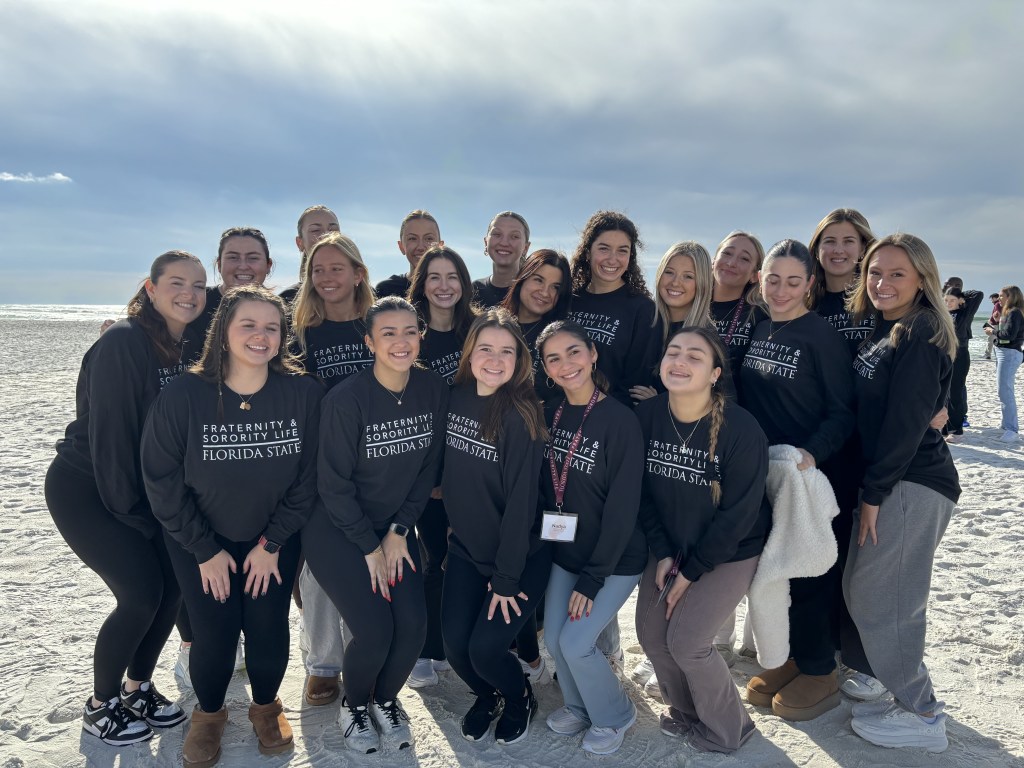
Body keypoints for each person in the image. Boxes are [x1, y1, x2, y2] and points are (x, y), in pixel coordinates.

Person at [142, 285, 323, 765]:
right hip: (200, 540)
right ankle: (209, 715)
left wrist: (273, 543)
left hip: (273, 537)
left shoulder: (303, 393)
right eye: (248, 325)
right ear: (223, 331)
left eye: (272, 327)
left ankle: (266, 707)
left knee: (267, 624)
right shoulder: (183, 394)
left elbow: (310, 478)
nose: (261, 336)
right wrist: (203, 549)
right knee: (214, 630)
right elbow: (161, 480)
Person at [45, 251, 206, 746]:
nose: (189, 293)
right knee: (140, 594)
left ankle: (137, 689)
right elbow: (110, 438)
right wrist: (132, 513)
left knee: (172, 590)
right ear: (151, 288)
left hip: (147, 491)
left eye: (198, 285)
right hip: (90, 488)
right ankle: (101, 705)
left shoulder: (184, 346)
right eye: (176, 282)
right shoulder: (123, 341)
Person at [302, 296, 448, 753]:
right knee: (375, 630)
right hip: (337, 530)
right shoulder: (347, 399)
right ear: (369, 342)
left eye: (409, 331)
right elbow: (333, 485)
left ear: (420, 336)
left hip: (393, 530)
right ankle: (354, 704)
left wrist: (399, 531)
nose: (400, 341)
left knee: (414, 626)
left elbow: (427, 469)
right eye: (388, 333)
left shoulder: (431, 389)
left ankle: (384, 699)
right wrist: (370, 547)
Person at [844, 233, 961, 752]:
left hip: (913, 482)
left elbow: (906, 422)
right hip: (894, 479)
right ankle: (901, 690)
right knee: (868, 591)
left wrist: (874, 493)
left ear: (921, 279)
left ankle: (923, 713)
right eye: (875, 272)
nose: (882, 282)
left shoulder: (922, 329)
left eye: (897, 274)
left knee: (886, 599)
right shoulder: (887, 328)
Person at [635, 327, 770, 753]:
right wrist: (662, 553)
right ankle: (688, 712)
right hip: (670, 545)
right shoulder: (646, 416)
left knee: (688, 643)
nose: (680, 361)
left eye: (694, 356)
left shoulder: (741, 429)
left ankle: (731, 729)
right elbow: (640, 495)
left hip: (729, 551)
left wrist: (690, 573)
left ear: (714, 374)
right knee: (652, 637)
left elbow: (738, 517)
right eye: (673, 352)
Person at [740, 239, 855, 722]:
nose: (781, 290)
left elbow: (843, 411)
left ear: (809, 283)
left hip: (804, 471)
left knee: (809, 571)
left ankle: (819, 669)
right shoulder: (760, 327)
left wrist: (813, 453)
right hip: (763, 470)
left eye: (792, 281)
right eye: (773, 280)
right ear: (760, 279)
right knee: (776, 569)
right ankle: (788, 659)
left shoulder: (821, 335)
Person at [441, 309, 552, 745]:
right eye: (485, 348)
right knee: (455, 648)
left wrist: (506, 579)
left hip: (520, 557)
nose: (495, 359)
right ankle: (489, 695)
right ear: (469, 354)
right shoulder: (454, 398)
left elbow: (522, 508)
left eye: (507, 351)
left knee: (485, 650)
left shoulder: (521, 416)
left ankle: (519, 695)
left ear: (519, 360)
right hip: (467, 549)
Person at [535, 320, 645, 755]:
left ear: (593, 353)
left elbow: (623, 508)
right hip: (567, 551)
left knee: (577, 644)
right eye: (554, 358)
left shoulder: (620, 420)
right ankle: (581, 706)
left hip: (614, 559)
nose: (566, 364)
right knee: (554, 640)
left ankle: (616, 714)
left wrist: (594, 577)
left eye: (574, 352)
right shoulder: (549, 413)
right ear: (546, 369)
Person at [289, 231, 376, 706]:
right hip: (319, 463)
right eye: (317, 269)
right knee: (319, 566)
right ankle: (323, 664)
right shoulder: (301, 332)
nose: (326, 277)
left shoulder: (378, 324)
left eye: (336, 268)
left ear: (358, 274)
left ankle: (366, 653)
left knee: (369, 562)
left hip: (376, 462)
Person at [805, 208, 886, 702]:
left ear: (863, 247)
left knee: (866, 556)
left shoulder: (878, 297)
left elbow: (924, 345)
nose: (838, 250)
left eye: (848, 241)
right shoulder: (808, 301)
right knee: (825, 549)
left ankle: (865, 658)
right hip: (823, 442)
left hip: (871, 443)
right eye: (828, 241)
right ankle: (825, 649)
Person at [405, 246, 478, 688]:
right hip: (428, 472)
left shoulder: (476, 331)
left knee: (469, 558)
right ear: (422, 283)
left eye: (452, 276)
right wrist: (434, 478)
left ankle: (462, 643)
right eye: (434, 277)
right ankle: (427, 650)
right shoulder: (411, 335)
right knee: (434, 559)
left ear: (464, 283)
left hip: (473, 465)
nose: (444, 285)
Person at [568, 210, 657, 408]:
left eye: (622, 251)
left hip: (609, 417)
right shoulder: (569, 300)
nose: (612, 259)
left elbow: (635, 385)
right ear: (587, 252)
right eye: (604, 249)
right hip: (561, 412)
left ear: (631, 256)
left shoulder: (642, 309)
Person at [630, 240, 716, 403]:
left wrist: (660, 404)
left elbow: (716, 399)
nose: (675, 282)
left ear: (702, 283)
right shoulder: (642, 318)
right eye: (669, 272)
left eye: (688, 276)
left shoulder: (708, 337)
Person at [501, 249, 573, 406]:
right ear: (522, 279)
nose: (545, 292)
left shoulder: (559, 338)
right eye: (539, 280)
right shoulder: (495, 325)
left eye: (555, 287)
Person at [709, 231, 768, 399]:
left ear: (754, 276)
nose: (731, 263)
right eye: (727, 253)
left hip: (735, 408)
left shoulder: (761, 315)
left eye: (744, 259)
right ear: (714, 261)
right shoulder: (692, 304)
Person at [192, 227, 275, 337]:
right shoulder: (195, 303)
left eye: (253, 258)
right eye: (233, 257)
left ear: (268, 265)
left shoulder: (281, 312)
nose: (243, 266)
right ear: (219, 265)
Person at [942, 285, 984, 441]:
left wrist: (960, 294)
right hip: (943, 356)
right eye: (945, 300)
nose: (948, 303)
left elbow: (978, 293)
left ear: (960, 301)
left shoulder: (965, 312)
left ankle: (956, 430)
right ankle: (945, 428)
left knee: (955, 393)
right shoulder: (942, 314)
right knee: (943, 393)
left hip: (960, 356)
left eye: (952, 300)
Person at [279, 204, 341, 304]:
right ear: (300, 243)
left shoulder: (361, 294)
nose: (326, 235)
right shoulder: (287, 300)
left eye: (333, 229)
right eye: (315, 230)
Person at [986, 285, 1023, 443]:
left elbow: (1009, 335)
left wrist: (992, 331)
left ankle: (1011, 429)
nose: (998, 298)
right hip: (1003, 352)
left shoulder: (1015, 312)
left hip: (1009, 353)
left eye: (1001, 296)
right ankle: (1006, 425)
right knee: (1003, 390)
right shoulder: (1009, 312)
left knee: (1005, 391)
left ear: (1010, 297)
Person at [375, 210, 442, 299]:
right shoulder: (386, 290)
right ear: (401, 246)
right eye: (412, 238)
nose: (420, 247)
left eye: (429, 238)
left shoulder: (452, 290)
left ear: (440, 246)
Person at [473, 211, 531, 307]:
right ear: (486, 243)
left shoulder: (533, 293)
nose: (504, 243)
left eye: (514, 236)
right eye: (497, 234)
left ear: (526, 248)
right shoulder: (474, 290)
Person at [983, 293, 1001, 360]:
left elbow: (997, 314)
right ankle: (989, 354)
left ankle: (988, 355)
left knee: (990, 339)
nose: (991, 300)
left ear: (995, 298)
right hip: (997, 324)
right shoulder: (1000, 304)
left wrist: (992, 320)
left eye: (992, 299)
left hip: (995, 324)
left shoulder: (997, 304)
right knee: (994, 339)